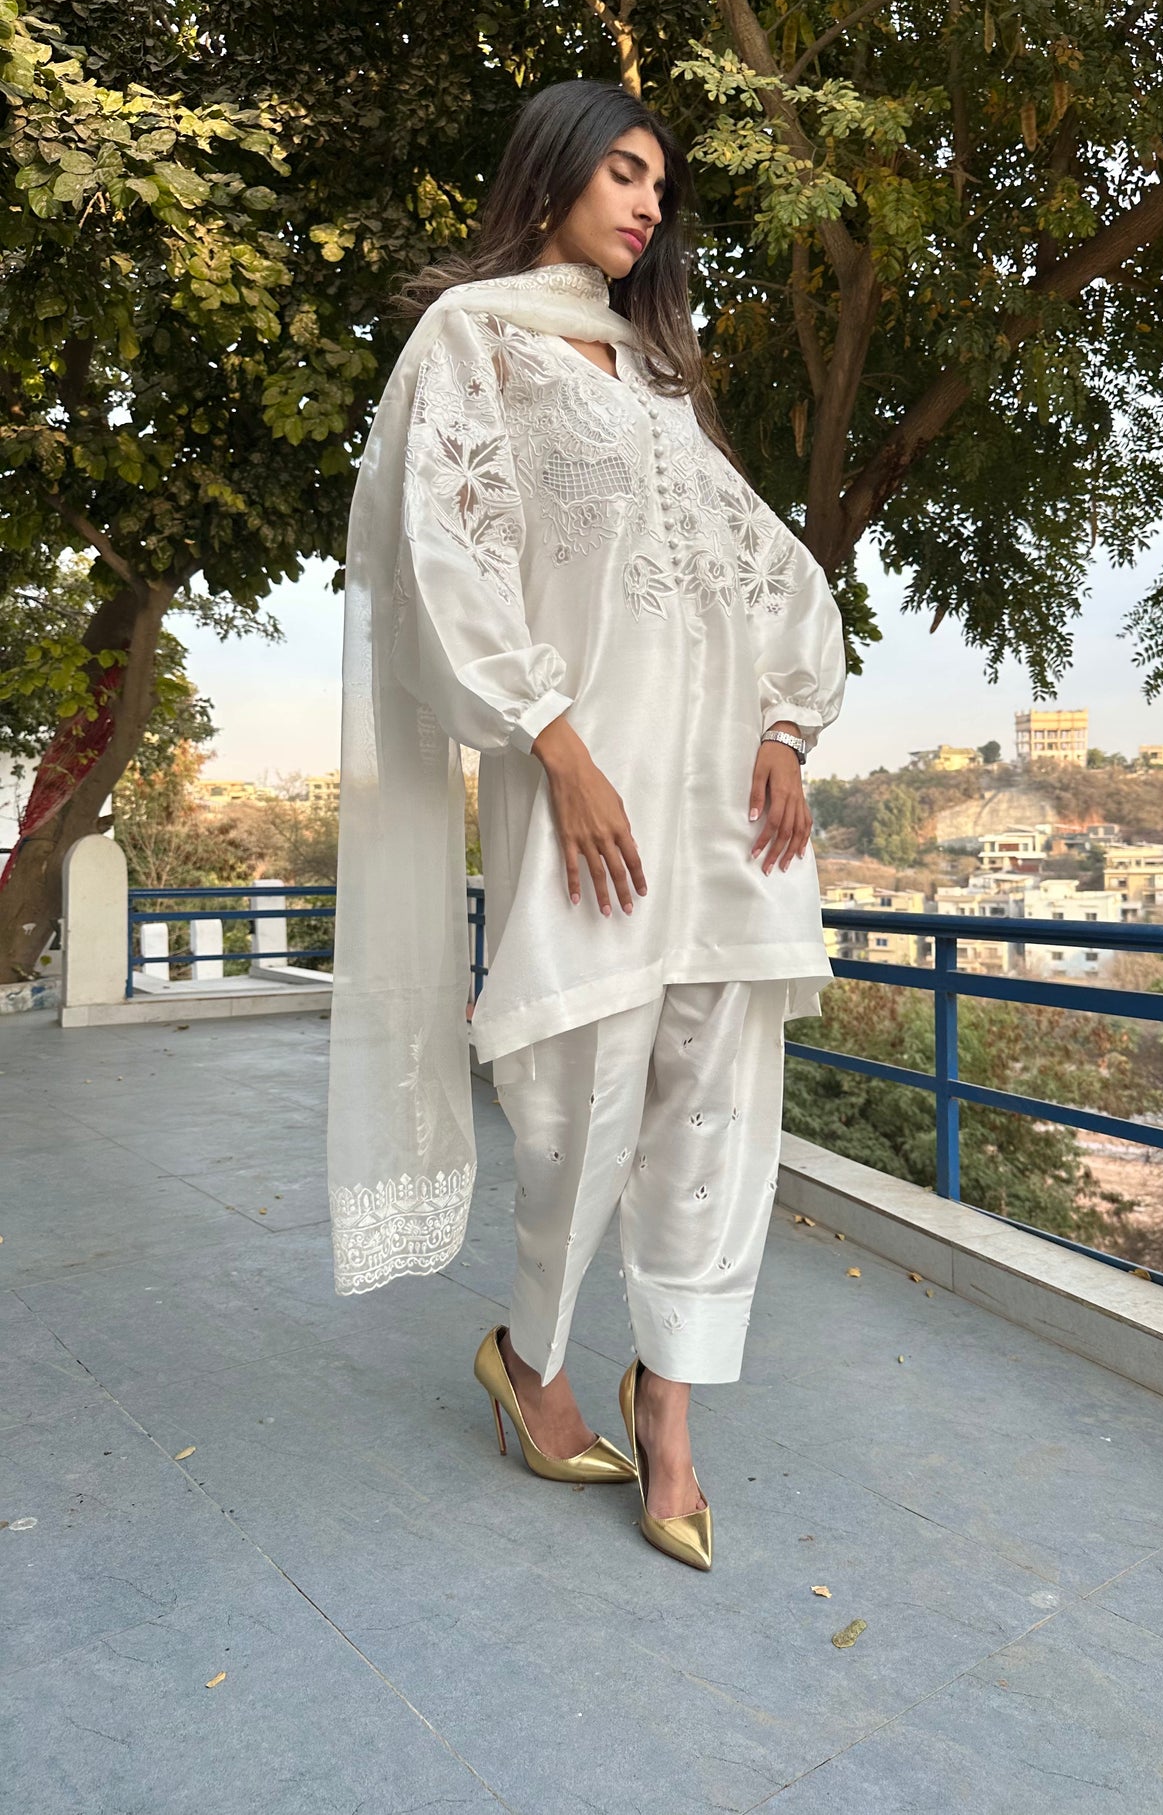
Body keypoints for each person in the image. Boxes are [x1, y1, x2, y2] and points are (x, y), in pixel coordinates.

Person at [325, 78, 847, 1571]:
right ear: (551, 171)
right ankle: (532, 1355)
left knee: (720, 1108)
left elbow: (772, 573)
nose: (647, 204)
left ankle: (668, 1408)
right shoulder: (473, 340)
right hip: (582, 789)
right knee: (574, 1105)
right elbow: (444, 561)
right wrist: (554, 741)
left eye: (659, 186)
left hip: (724, 810)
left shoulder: (657, 380)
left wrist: (785, 728)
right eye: (623, 171)